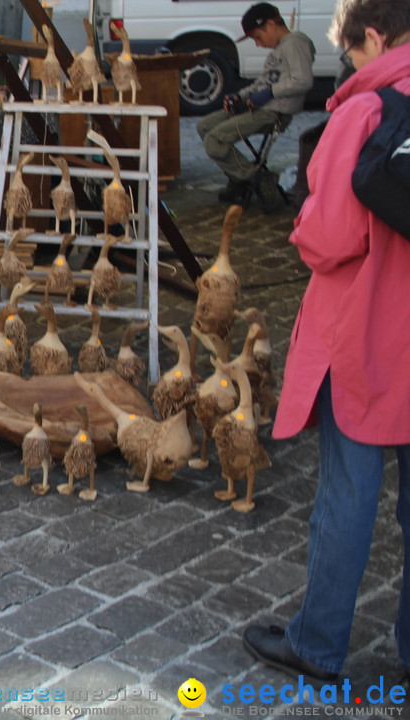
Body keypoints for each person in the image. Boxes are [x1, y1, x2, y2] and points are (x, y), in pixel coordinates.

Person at [242, 0, 410, 681]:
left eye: (352, 52)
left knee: (348, 492)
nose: (351, 64)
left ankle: (318, 644)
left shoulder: (365, 111)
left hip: (369, 332)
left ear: (373, 35)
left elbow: (329, 238)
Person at [196, 2, 315, 205]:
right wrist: (240, 96)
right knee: (204, 126)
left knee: (214, 140)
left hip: (275, 112)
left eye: (257, 37)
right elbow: (262, 82)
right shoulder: (279, 50)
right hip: (262, 107)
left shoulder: (295, 43)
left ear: (271, 24)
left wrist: (270, 93)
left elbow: (302, 80)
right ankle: (241, 178)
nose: (258, 44)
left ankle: (255, 179)